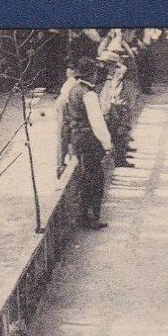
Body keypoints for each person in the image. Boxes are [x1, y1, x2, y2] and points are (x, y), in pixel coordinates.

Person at [66, 57, 113, 229]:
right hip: (89, 139)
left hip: (77, 137)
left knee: (86, 175)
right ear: (91, 74)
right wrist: (107, 143)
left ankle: (84, 215)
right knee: (95, 178)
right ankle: (92, 216)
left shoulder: (73, 89)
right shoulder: (89, 94)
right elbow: (97, 122)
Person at [56, 65, 77, 177]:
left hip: (66, 107)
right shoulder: (71, 83)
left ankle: (63, 163)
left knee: (66, 135)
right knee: (64, 135)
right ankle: (61, 165)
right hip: (65, 108)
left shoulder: (73, 82)